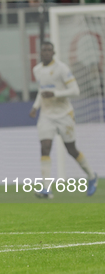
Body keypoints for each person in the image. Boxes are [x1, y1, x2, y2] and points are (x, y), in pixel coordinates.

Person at [30, 42, 99, 198]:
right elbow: (42, 90)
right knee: (45, 147)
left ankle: (92, 176)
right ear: (40, 53)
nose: (46, 52)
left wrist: (55, 93)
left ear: (54, 52)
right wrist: (35, 107)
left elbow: (75, 91)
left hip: (64, 114)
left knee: (71, 149)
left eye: (49, 50)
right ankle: (46, 188)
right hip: (47, 115)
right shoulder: (37, 70)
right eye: (44, 50)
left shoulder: (62, 69)